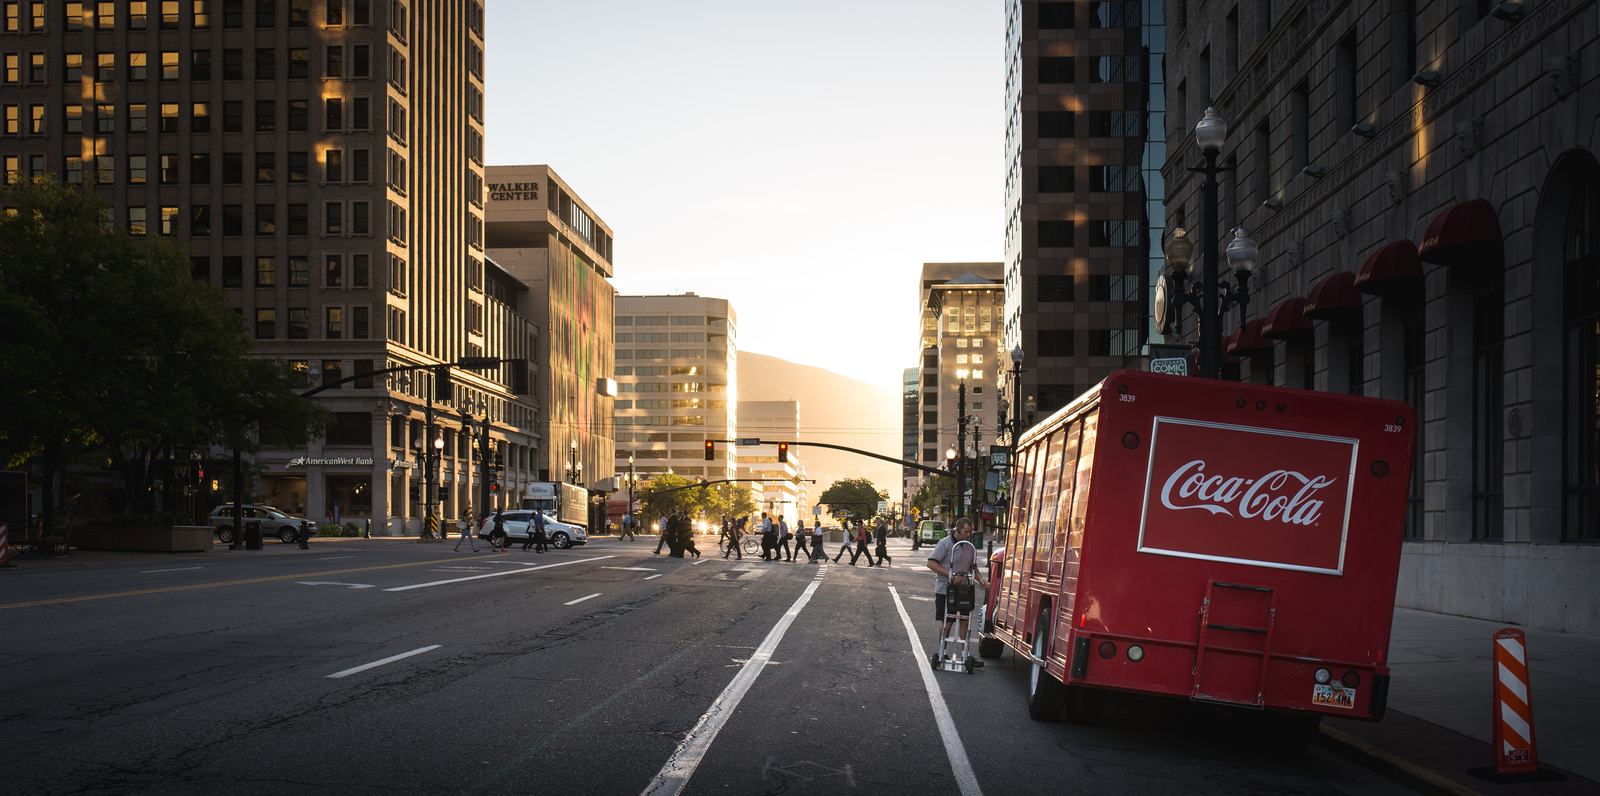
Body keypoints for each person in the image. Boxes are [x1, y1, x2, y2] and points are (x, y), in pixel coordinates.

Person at [926, 517, 987, 668]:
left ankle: (965, 654)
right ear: (958, 530)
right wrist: (950, 575)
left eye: (970, 532)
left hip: (964, 590)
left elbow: (973, 567)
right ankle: (942, 652)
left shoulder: (970, 546)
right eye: (966, 532)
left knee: (965, 621)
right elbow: (931, 563)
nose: (969, 535)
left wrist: (981, 579)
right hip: (945, 589)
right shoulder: (944, 543)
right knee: (947, 622)